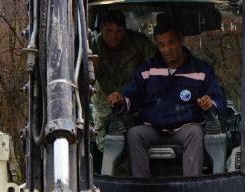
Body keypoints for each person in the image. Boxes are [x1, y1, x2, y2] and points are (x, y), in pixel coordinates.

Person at [113, 18, 228, 178]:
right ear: (157, 45)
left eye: (171, 42)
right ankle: (141, 190)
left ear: (181, 40)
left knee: (195, 132)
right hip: (153, 129)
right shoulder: (148, 69)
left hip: (186, 129)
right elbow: (132, 97)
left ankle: (191, 188)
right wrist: (120, 99)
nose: (167, 49)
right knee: (134, 134)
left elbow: (219, 100)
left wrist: (210, 103)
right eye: (162, 45)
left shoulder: (201, 70)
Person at [90, 10, 154, 150]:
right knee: (109, 150)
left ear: (125, 29)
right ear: (101, 29)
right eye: (109, 31)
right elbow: (83, 79)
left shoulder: (139, 44)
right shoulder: (93, 47)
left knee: (136, 147)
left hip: (136, 106)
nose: (114, 36)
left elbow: (156, 71)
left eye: (119, 31)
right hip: (104, 108)